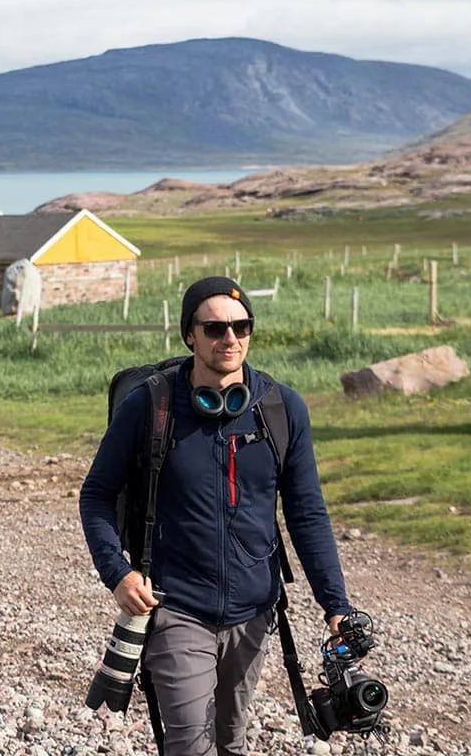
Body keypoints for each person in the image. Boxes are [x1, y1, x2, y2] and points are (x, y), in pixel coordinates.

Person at [79, 276, 355, 756]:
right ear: (190, 335)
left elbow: (307, 513)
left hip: (254, 612)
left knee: (230, 741)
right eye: (215, 329)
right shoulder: (149, 405)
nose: (230, 339)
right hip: (176, 607)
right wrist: (117, 573)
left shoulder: (281, 408)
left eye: (241, 327)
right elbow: (96, 494)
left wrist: (336, 605)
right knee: (191, 746)